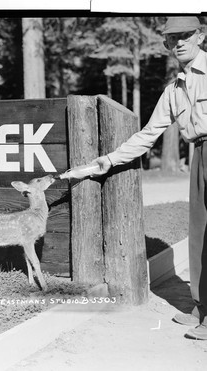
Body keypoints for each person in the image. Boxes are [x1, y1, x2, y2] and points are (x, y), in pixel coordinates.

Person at [92, 16, 207, 340]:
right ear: (166, 45)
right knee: (198, 235)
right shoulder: (174, 89)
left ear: (200, 36)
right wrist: (110, 159)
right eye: (173, 39)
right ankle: (202, 306)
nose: (180, 43)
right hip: (199, 155)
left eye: (186, 35)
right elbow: (148, 134)